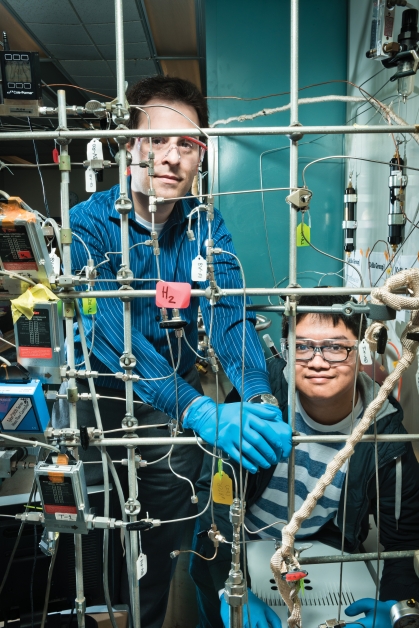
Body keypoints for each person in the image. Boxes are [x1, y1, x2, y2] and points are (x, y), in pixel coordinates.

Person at [69, 75, 292, 628]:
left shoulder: (204, 225)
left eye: (187, 144)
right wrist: (198, 409)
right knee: (106, 538)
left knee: (167, 533)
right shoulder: (86, 226)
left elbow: (228, 311)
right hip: (104, 402)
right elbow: (107, 332)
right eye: (157, 140)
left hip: (178, 409)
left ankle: (153, 605)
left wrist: (258, 392)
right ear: (129, 146)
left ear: (202, 156)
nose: (171, 157)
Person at [190, 294, 419, 628]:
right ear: (285, 350)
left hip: (321, 549)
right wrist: (229, 589)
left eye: (336, 347)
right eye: (303, 346)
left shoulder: (384, 434)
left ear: (360, 351)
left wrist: (398, 608)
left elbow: (405, 541)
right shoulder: (256, 400)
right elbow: (215, 505)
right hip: (239, 546)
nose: (318, 361)